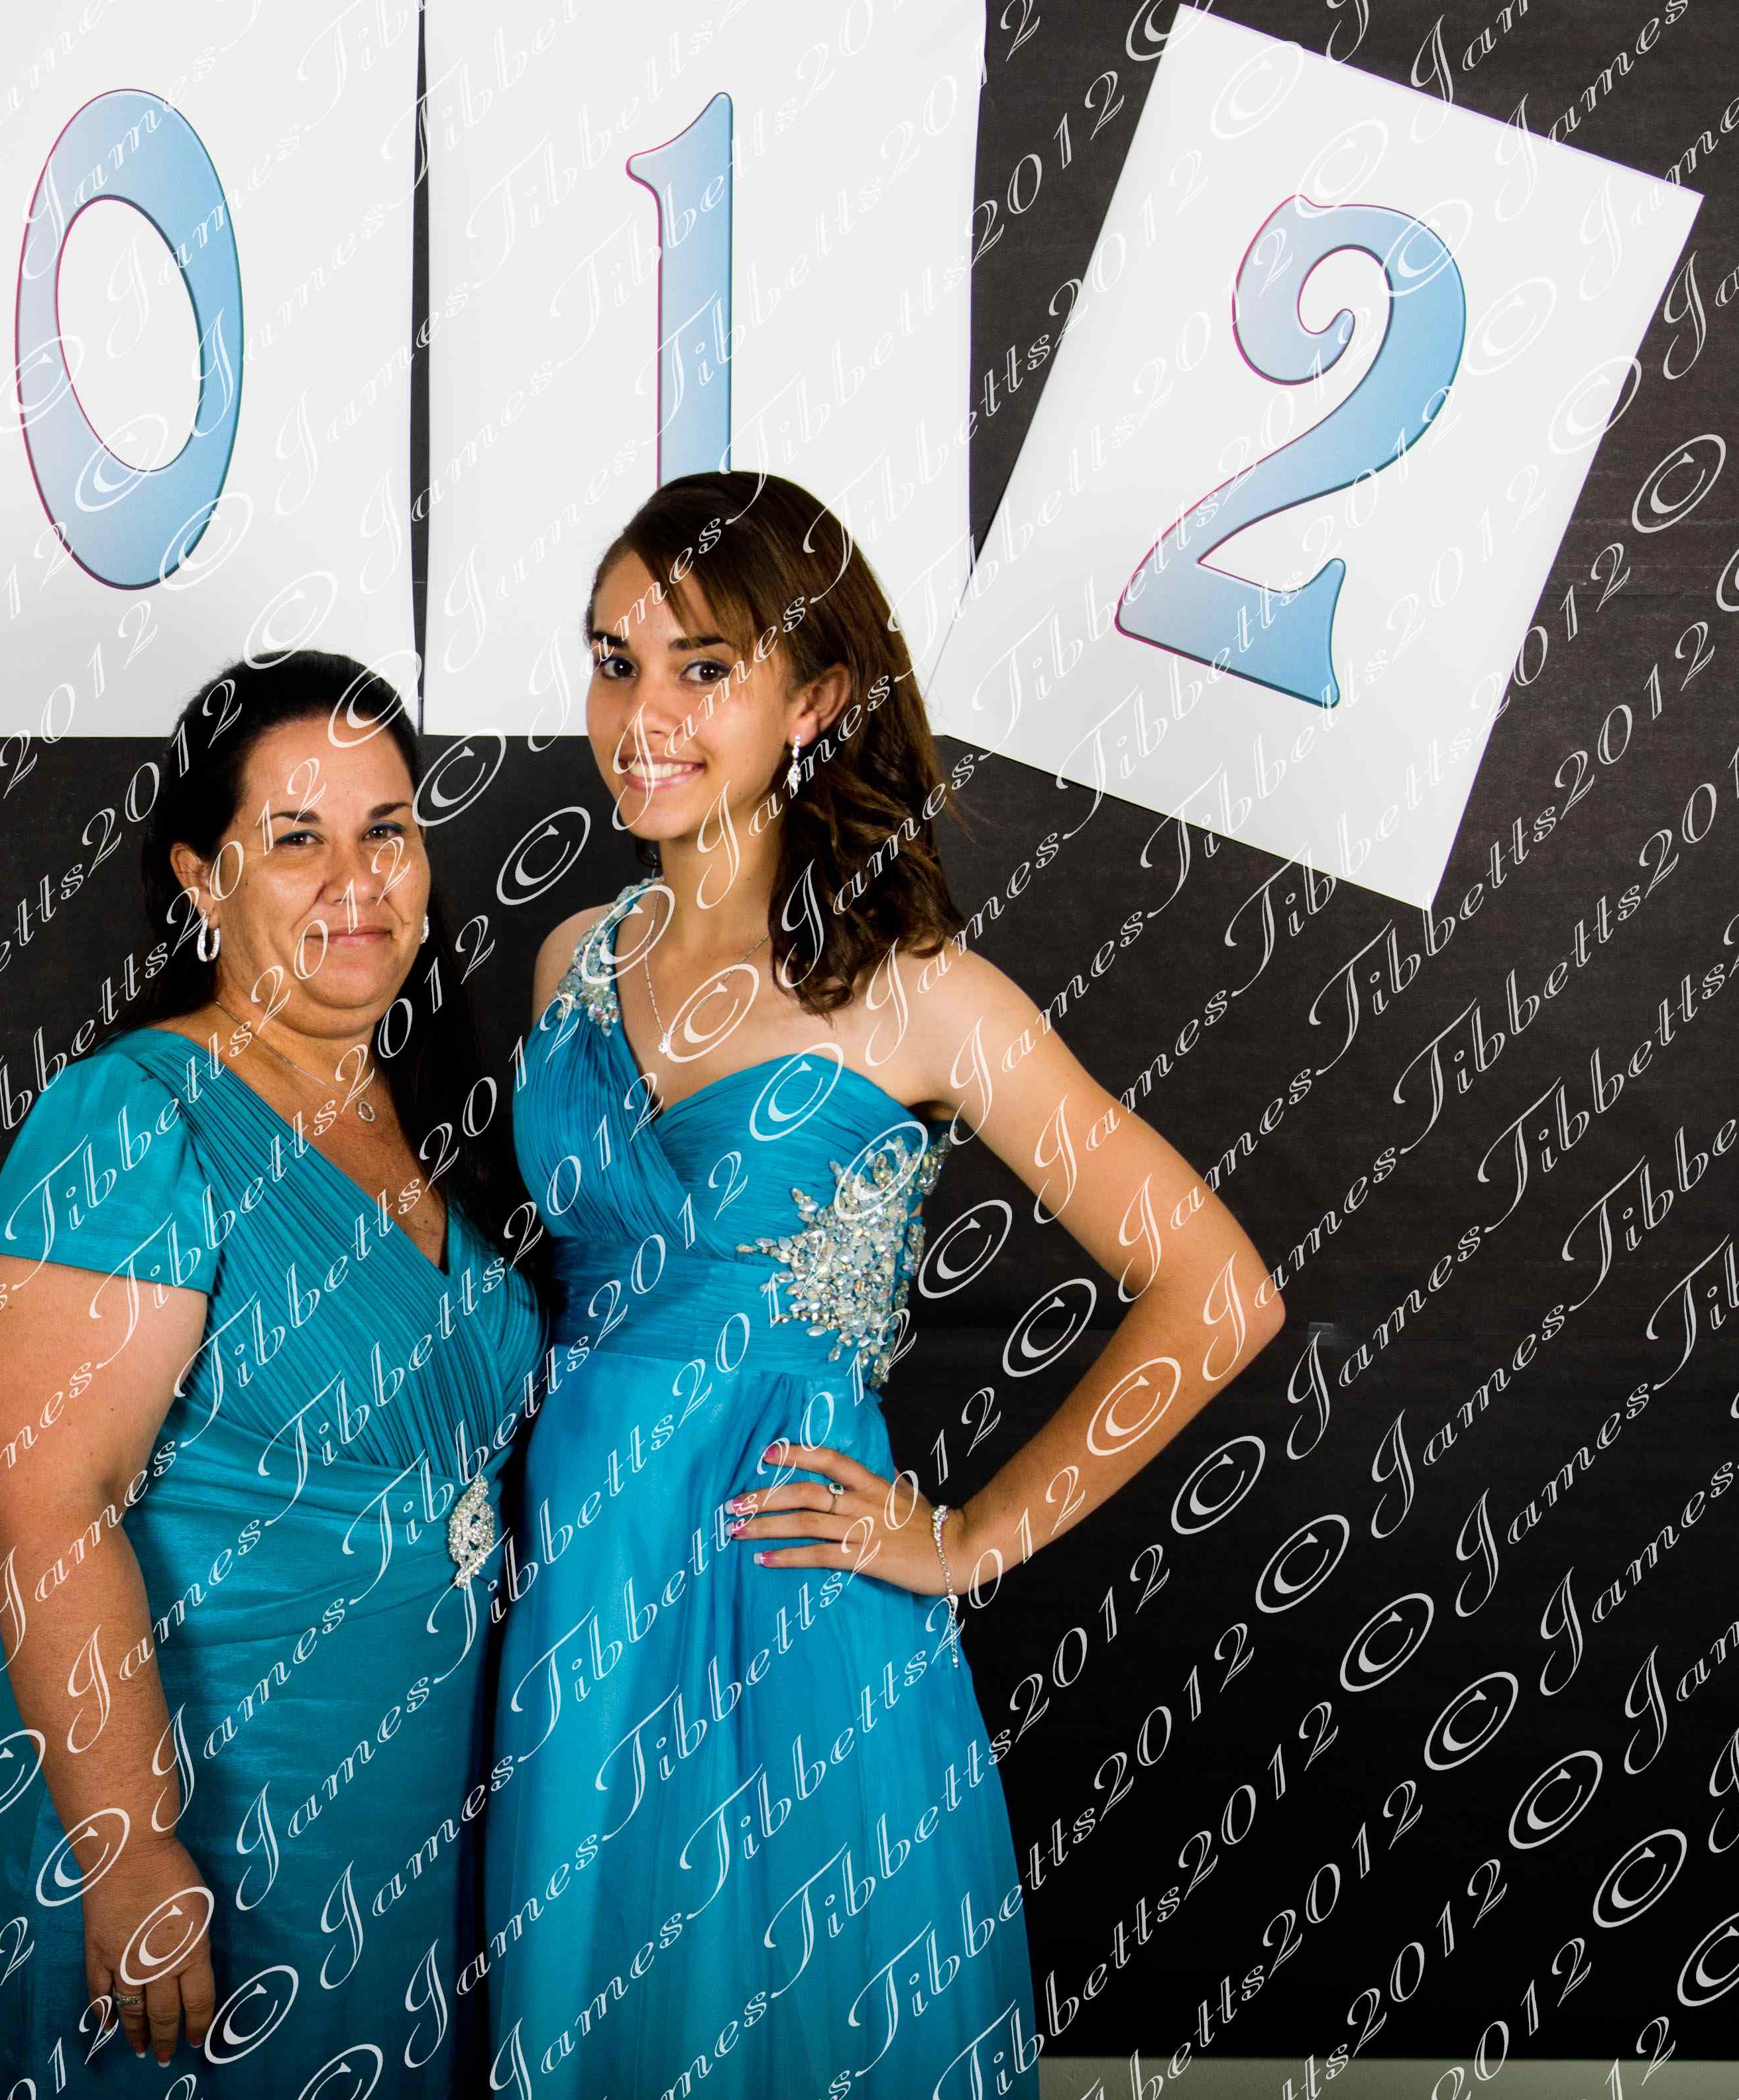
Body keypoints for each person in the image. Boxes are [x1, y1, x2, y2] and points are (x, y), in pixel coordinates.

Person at [482, 471, 1290, 2095]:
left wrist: (970, 1536)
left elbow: (1218, 1291)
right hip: (582, 1596)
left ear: (814, 699)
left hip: (792, 1607)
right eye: (614, 661)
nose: (641, 715)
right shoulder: (570, 962)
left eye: (704, 667)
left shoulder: (920, 994)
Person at [0, 651, 546, 2093]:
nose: (357, 880)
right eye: (297, 839)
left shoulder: (438, 1116)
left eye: (386, 830)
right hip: (198, 1819)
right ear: (202, 880)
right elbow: (37, 1503)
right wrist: (129, 1846)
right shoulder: (139, 1115)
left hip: (404, 1819)